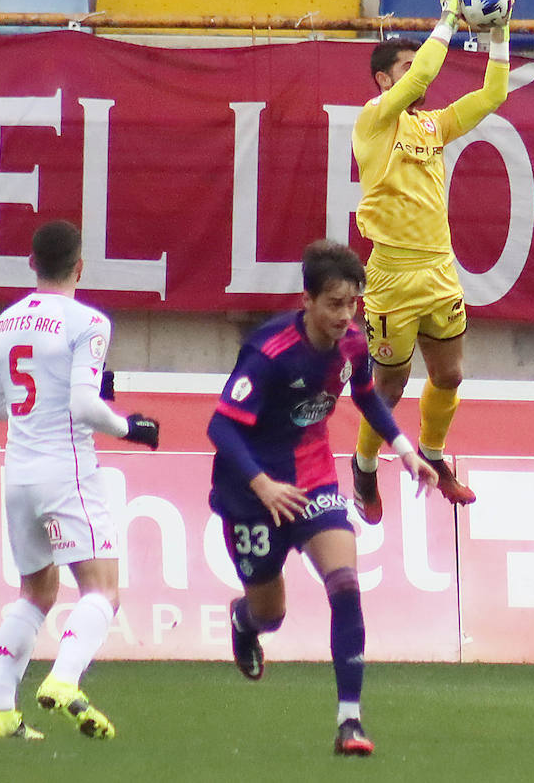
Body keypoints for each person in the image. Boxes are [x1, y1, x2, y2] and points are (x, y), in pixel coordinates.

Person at [207, 240, 438, 756]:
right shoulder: (268, 353)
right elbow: (220, 427)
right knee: (271, 615)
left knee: (345, 585)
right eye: (334, 304)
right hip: (253, 494)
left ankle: (349, 721)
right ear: (307, 300)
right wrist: (262, 484)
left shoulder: (354, 343)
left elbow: (364, 395)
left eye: (351, 304)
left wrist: (404, 449)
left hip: (313, 482)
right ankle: (244, 621)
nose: (345, 316)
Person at [0, 220, 160, 742]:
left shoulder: (4, 323)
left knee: (36, 591)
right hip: (67, 471)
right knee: (103, 590)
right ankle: (63, 679)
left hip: (17, 471)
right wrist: (131, 427)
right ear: (80, 266)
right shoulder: (88, 322)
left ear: (32, 263)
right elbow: (85, 405)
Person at [350, 0, 511, 524]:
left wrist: (500, 35)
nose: (414, 75)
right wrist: (446, 19)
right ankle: (365, 465)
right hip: (391, 275)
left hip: (440, 271)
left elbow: (493, 94)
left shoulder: (433, 127)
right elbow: (418, 81)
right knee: (388, 385)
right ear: (382, 80)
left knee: (450, 375)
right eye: (402, 67)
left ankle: (436, 458)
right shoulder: (373, 123)